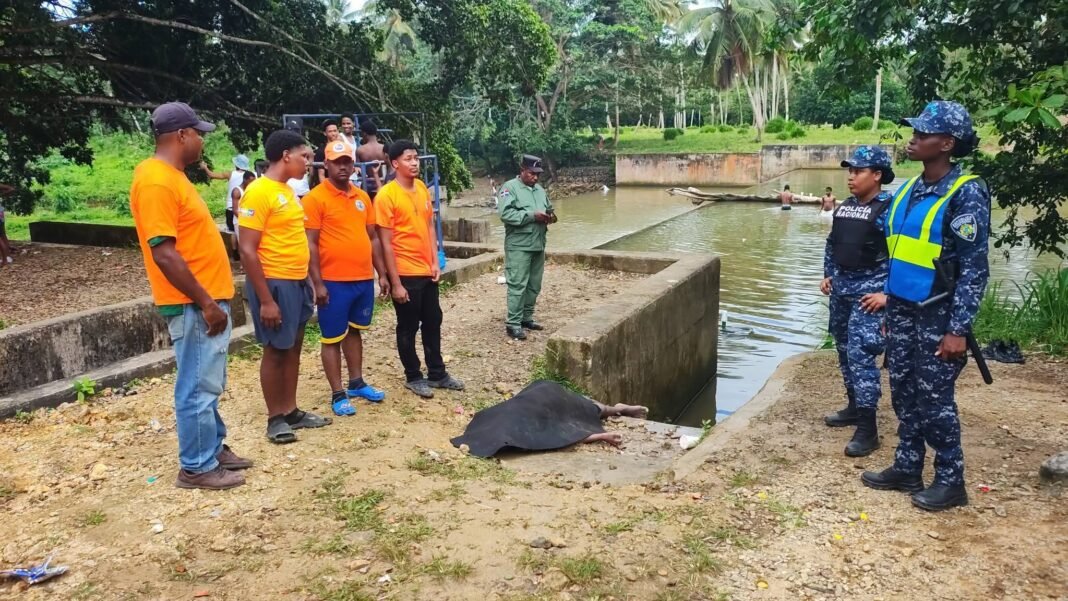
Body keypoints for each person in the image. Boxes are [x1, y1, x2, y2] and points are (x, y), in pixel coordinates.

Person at [861, 101, 989, 512]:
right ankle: (908, 466)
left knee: (935, 401)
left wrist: (957, 330)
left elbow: (973, 269)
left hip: (938, 314)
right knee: (903, 392)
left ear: (947, 143)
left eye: (923, 134)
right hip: (901, 310)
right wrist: (887, 305)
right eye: (913, 132)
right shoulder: (910, 190)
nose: (913, 139)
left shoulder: (965, 190)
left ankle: (951, 481)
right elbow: (896, 254)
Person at [129, 102, 251, 490]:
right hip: (194, 303)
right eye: (198, 133)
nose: (201, 139)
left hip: (205, 299)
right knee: (197, 384)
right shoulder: (156, 181)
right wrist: (206, 302)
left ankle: (211, 447)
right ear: (181, 135)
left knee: (207, 381)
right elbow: (164, 251)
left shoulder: (174, 177)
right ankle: (196, 465)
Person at [238, 129, 332, 444]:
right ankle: (275, 417)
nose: (309, 163)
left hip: (296, 281)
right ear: (286, 156)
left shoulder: (286, 190)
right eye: (305, 156)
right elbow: (247, 249)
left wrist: (309, 280)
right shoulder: (259, 191)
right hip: (275, 282)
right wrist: (266, 299)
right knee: (276, 350)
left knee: (292, 346)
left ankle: (291, 410)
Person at [303, 140, 388, 416]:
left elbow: (373, 238)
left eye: (347, 161)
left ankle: (356, 381)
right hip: (333, 281)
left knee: (355, 330)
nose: (343, 166)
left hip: (362, 279)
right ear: (325, 164)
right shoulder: (315, 199)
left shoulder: (362, 197)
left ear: (353, 164)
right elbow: (311, 244)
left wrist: (382, 274)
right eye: (337, 162)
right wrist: (317, 283)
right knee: (331, 337)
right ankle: (337, 393)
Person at [820, 146, 895, 457]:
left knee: (861, 354)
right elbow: (833, 243)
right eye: (849, 171)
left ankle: (868, 429)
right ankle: (853, 405)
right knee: (842, 348)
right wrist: (828, 274)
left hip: (870, 295)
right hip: (842, 290)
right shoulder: (846, 207)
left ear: (877, 175)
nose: (851, 177)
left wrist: (887, 293)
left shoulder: (890, 210)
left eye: (859, 171)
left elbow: (903, 255)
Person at [375, 139, 464, 398]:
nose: (414, 163)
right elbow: (385, 243)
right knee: (407, 325)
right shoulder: (386, 196)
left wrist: (435, 261)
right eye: (407, 159)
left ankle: (437, 373)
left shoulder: (423, 188)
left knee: (433, 320)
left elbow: (428, 226)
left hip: (426, 269)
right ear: (394, 163)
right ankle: (413, 376)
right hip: (405, 271)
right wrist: (396, 283)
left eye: (415, 157)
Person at [451, 380, 649, 458]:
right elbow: (553, 433)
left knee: (580, 410)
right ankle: (617, 409)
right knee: (581, 408)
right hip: (541, 393)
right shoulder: (484, 420)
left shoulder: (517, 431)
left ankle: (616, 409)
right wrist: (595, 436)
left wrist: (595, 436)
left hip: (543, 399)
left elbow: (556, 433)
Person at [497, 154, 557, 341]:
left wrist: (551, 216)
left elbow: (549, 208)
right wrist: (532, 215)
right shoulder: (509, 188)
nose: (535, 177)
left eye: (538, 174)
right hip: (519, 246)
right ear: (522, 170)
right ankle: (513, 323)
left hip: (538, 244)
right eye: (531, 173)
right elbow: (506, 214)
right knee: (517, 284)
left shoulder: (539, 190)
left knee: (534, 284)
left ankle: (526, 318)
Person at [199, 154, 254, 233]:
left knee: (232, 232)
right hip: (245, 208)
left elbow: (211, 175)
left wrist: (205, 168)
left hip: (231, 207)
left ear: (236, 164)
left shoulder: (230, 174)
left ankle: (235, 246)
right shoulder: (251, 175)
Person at [355, 120, 387, 199]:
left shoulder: (360, 150)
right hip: (384, 183)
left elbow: (357, 169)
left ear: (364, 134)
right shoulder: (384, 148)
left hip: (368, 185)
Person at [229, 171, 256, 258]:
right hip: (240, 221)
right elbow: (235, 210)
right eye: (250, 181)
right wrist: (246, 219)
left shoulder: (250, 190)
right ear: (245, 179)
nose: (252, 183)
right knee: (243, 244)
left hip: (249, 219)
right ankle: (243, 264)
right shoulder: (237, 191)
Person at [313, 119, 341, 186]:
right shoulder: (321, 151)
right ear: (325, 133)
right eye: (330, 131)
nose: (333, 134)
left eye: (335, 131)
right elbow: (321, 175)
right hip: (328, 185)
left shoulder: (342, 148)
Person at [0, 184, 13, 266]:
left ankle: (4, 260)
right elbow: (11, 189)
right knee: (3, 234)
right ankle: (7, 257)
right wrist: (2, 196)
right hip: (0, 212)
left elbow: (11, 189)